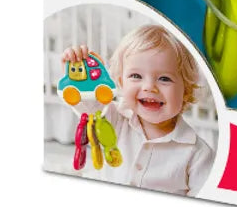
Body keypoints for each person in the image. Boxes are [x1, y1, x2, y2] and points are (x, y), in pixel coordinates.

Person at [62, 25, 215, 196]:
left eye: (164, 78)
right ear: (121, 83)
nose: (149, 87)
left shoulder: (198, 154)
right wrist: (76, 77)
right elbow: (87, 105)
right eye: (136, 76)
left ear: (186, 91)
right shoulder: (114, 118)